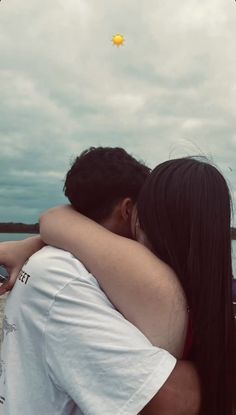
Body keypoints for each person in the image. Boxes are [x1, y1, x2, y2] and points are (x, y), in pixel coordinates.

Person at [0, 147, 200, 415]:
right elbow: (168, 401)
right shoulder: (63, 276)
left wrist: (38, 239)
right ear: (129, 210)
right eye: (149, 213)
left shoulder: (80, 266)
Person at [37, 156, 236, 415]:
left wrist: (42, 237)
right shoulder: (224, 300)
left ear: (143, 223)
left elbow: (59, 222)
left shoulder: (139, 293)